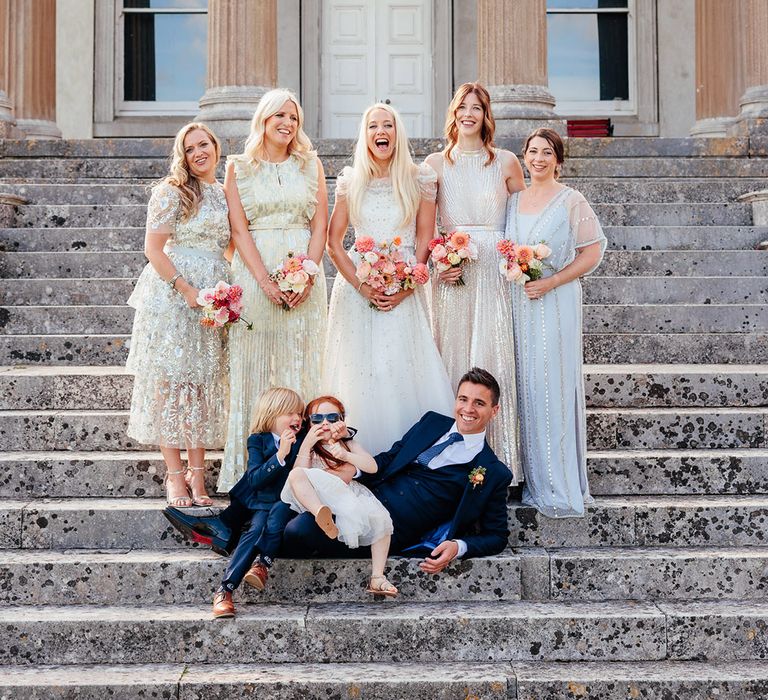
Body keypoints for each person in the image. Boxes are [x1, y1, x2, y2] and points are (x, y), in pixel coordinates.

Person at [282, 368, 512, 575]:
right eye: (463, 399)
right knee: (283, 507)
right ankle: (260, 556)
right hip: (359, 498)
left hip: (385, 531)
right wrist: (350, 472)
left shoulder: (493, 471)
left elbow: (497, 536)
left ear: (494, 410)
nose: (468, 409)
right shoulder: (432, 422)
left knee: (298, 529)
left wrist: (458, 547)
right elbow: (388, 459)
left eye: (479, 403)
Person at [323, 103, 454, 455]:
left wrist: (407, 286)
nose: (381, 132)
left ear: (398, 133)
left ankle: (407, 457)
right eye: (373, 127)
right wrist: (363, 286)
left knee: (397, 369)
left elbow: (426, 238)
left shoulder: (420, 178)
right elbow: (334, 242)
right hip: (356, 290)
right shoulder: (351, 181)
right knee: (360, 374)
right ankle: (355, 453)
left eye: (388, 125)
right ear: (365, 136)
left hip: (404, 288)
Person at [219, 88, 328, 492]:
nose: (287, 123)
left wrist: (311, 273)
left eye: (294, 117)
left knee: (304, 362)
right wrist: (263, 279)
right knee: (254, 364)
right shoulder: (238, 167)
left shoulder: (310, 163)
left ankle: (309, 461)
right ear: (263, 120)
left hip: (304, 271)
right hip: (253, 272)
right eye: (279, 115)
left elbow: (320, 226)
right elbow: (238, 229)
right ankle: (252, 467)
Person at [126, 122, 230, 508]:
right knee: (170, 384)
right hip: (174, 295)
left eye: (204, 144)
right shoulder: (171, 192)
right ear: (182, 156)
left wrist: (229, 293)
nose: (199, 152)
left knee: (202, 385)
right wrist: (187, 290)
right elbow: (153, 249)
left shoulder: (222, 193)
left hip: (214, 296)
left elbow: (231, 246)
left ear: (216, 147)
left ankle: (198, 473)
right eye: (190, 149)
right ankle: (174, 475)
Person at [425, 83, 525, 482]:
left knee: (491, 354)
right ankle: (448, 462)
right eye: (462, 107)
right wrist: (436, 264)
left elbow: (523, 219)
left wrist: (521, 263)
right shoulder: (434, 163)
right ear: (453, 113)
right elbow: (425, 227)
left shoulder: (504, 162)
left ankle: (498, 463)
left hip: (494, 274)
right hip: (454, 273)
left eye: (477, 108)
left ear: (486, 116)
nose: (469, 114)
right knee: (451, 357)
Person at [506, 128, 606, 517]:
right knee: (527, 385)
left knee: (552, 385)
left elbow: (591, 252)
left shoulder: (571, 200)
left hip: (556, 299)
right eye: (533, 152)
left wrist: (552, 280)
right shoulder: (513, 202)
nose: (539, 158)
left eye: (547, 152)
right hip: (520, 301)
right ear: (525, 158)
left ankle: (558, 482)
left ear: (558, 160)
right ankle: (531, 476)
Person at [165, 387, 305, 618]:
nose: (297, 418)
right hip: (261, 503)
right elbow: (255, 479)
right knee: (256, 529)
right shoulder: (258, 441)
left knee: (265, 525)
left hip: (289, 504)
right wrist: (280, 455)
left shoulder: (301, 442)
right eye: (290, 413)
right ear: (271, 414)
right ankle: (224, 591)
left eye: (299, 413)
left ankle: (241, 549)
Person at [281, 396, 396, 596]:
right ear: (309, 423)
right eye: (317, 419)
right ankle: (321, 514)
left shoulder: (347, 443)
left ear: (342, 420)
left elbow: (372, 466)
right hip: (317, 497)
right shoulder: (309, 445)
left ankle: (378, 576)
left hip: (345, 494)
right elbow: (299, 475)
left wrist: (345, 454)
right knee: (296, 474)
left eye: (332, 418)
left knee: (381, 520)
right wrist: (307, 444)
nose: (325, 423)